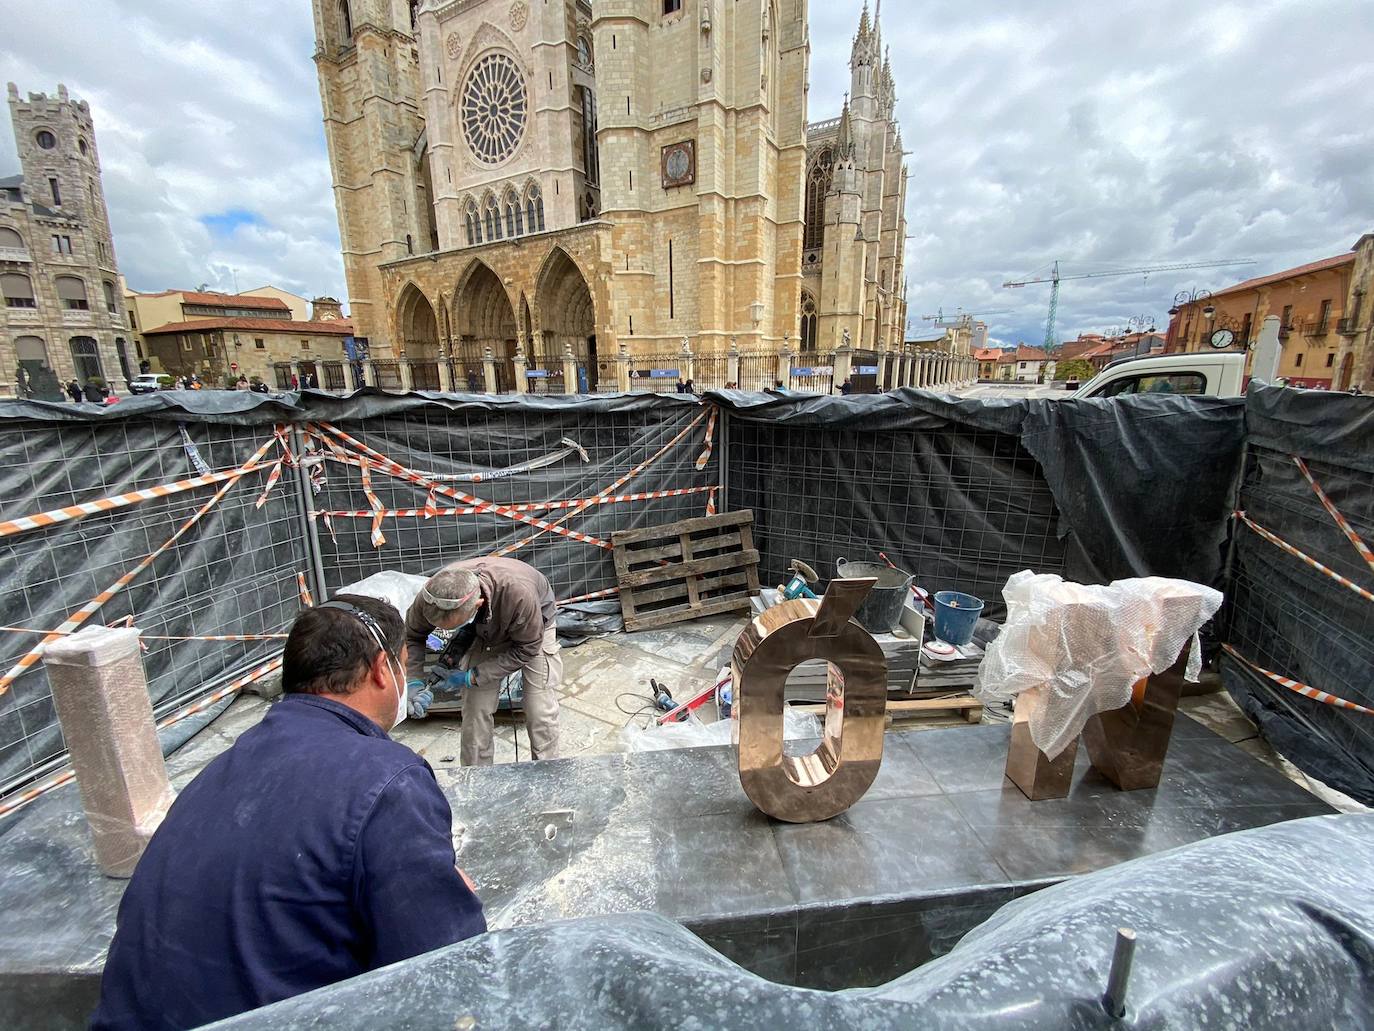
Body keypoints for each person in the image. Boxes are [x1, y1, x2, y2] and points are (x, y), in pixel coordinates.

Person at [91, 595, 485, 1030]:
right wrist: (447, 895)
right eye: (402, 665)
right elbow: (447, 969)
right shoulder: (388, 779)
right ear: (380, 669)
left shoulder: (220, 769)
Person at [404, 558, 561, 767]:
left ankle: (548, 772)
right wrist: (413, 682)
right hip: (481, 629)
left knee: (538, 708)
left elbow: (527, 648)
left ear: (477, 604)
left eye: (452, 626)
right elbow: (412, 636)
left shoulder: (518, 594)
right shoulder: (431, 595)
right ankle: (475, 776)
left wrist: (473, 676)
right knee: (476, 709)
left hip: (533, 627)